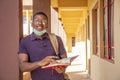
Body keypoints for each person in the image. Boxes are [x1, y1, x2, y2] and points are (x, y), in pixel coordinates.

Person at [18, 11, 67, 80]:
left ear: (47, 25)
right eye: (37, 20)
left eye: (44, 21)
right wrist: (39, 63)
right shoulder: (25, 41)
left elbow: (65, 60)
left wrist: (63, 68)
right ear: (32, 24)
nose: (40, 23)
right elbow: (22, 67)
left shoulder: (56, 39)